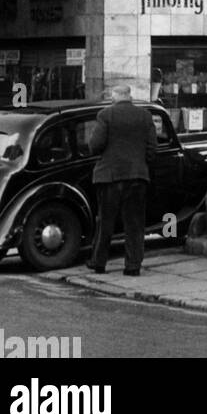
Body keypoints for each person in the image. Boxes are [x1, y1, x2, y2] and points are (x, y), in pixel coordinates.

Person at [86, 83, 157, 276]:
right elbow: (152, 148)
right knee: (135, 224)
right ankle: (133, 266)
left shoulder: (105, 115)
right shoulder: (145, 116)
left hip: (109, 176)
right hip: (137, 176)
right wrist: (141, 163)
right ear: (129, 96)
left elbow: (95, 145)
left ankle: (99, 262)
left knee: (105, 222)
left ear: (115, 97)